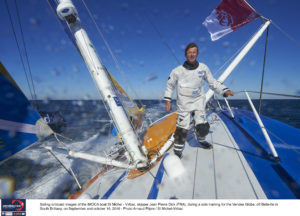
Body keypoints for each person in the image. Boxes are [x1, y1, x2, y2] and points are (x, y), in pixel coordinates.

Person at [164, 43, 234, 158]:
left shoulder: (203, 68)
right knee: (181, 129)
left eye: (194, 52)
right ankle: (177, 151)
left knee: (203, 127)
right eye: (189, 52)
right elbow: (170, 85)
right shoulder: (176, 71)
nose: (192, 54)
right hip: (184, 104)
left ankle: (201, 140)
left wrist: (224, 90)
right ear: (186, 54)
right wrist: (168, 100)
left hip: (198, 102)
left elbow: (212, 82)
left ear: (197, 54)